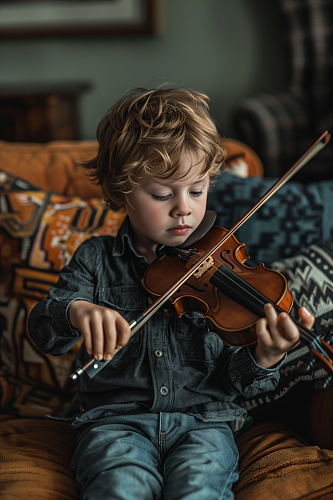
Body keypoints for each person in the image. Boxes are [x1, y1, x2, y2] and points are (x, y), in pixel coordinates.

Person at [28, 87, 314, 500]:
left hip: (206, 424)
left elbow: (236, 383)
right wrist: (77, 312)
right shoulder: (96, 259)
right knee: (118, 486)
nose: (184, 208)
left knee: (199, 490)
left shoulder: (221, 261)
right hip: (114, 423)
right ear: (121, 190)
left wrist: (264, 357)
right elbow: (43, 329)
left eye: (196, 191)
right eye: (163, 194)